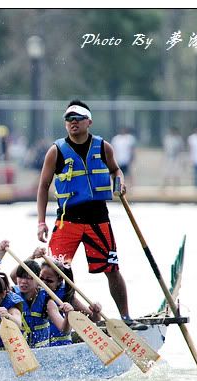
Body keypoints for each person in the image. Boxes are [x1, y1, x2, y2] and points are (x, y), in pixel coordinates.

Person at [36, 99, 131, 321]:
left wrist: (120, 182)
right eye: (68, 119)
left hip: (98, 221)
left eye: (77, 118)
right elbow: (43, 186)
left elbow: (116, 170)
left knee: (112, 270)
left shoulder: (103, 147)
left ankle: (126, 317)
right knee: (53, 273)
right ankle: (60, 321)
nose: (73, 122)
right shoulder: (56, 151)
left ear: (89, 121)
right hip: (67, 221)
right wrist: (41, 222)